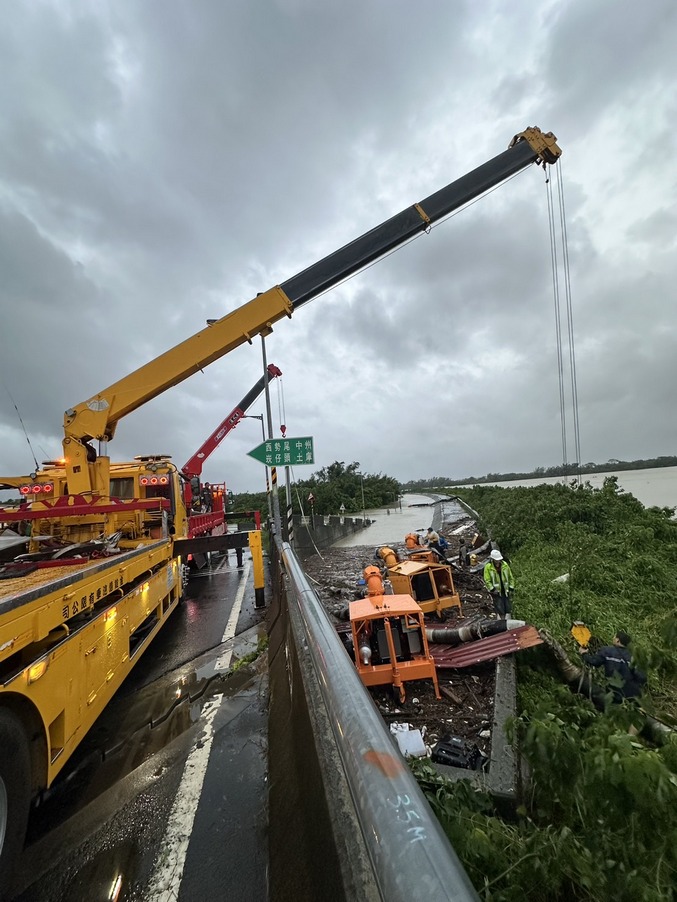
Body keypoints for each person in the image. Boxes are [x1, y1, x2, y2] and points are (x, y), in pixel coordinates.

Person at [579, 630, 646, 703]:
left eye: (614, 637)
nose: (613, 638)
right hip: (634, 694)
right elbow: (642, 677)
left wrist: (584, 654)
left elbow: (594, 662)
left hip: (616, 693)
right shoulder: (633, 656)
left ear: (617, 640)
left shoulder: (607, 651)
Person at [483, 549, 515, 618]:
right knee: (500, 609)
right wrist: (492, 589)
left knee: (508, 608)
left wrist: (511, 587)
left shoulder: (505, 565)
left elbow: (510, 577)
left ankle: (508, 622)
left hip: (505, 590)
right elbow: (487, 580)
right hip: (496, 593)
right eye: (496, 560)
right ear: (493, 559)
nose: (498, 561)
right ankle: (502, 622)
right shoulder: (488, 567)